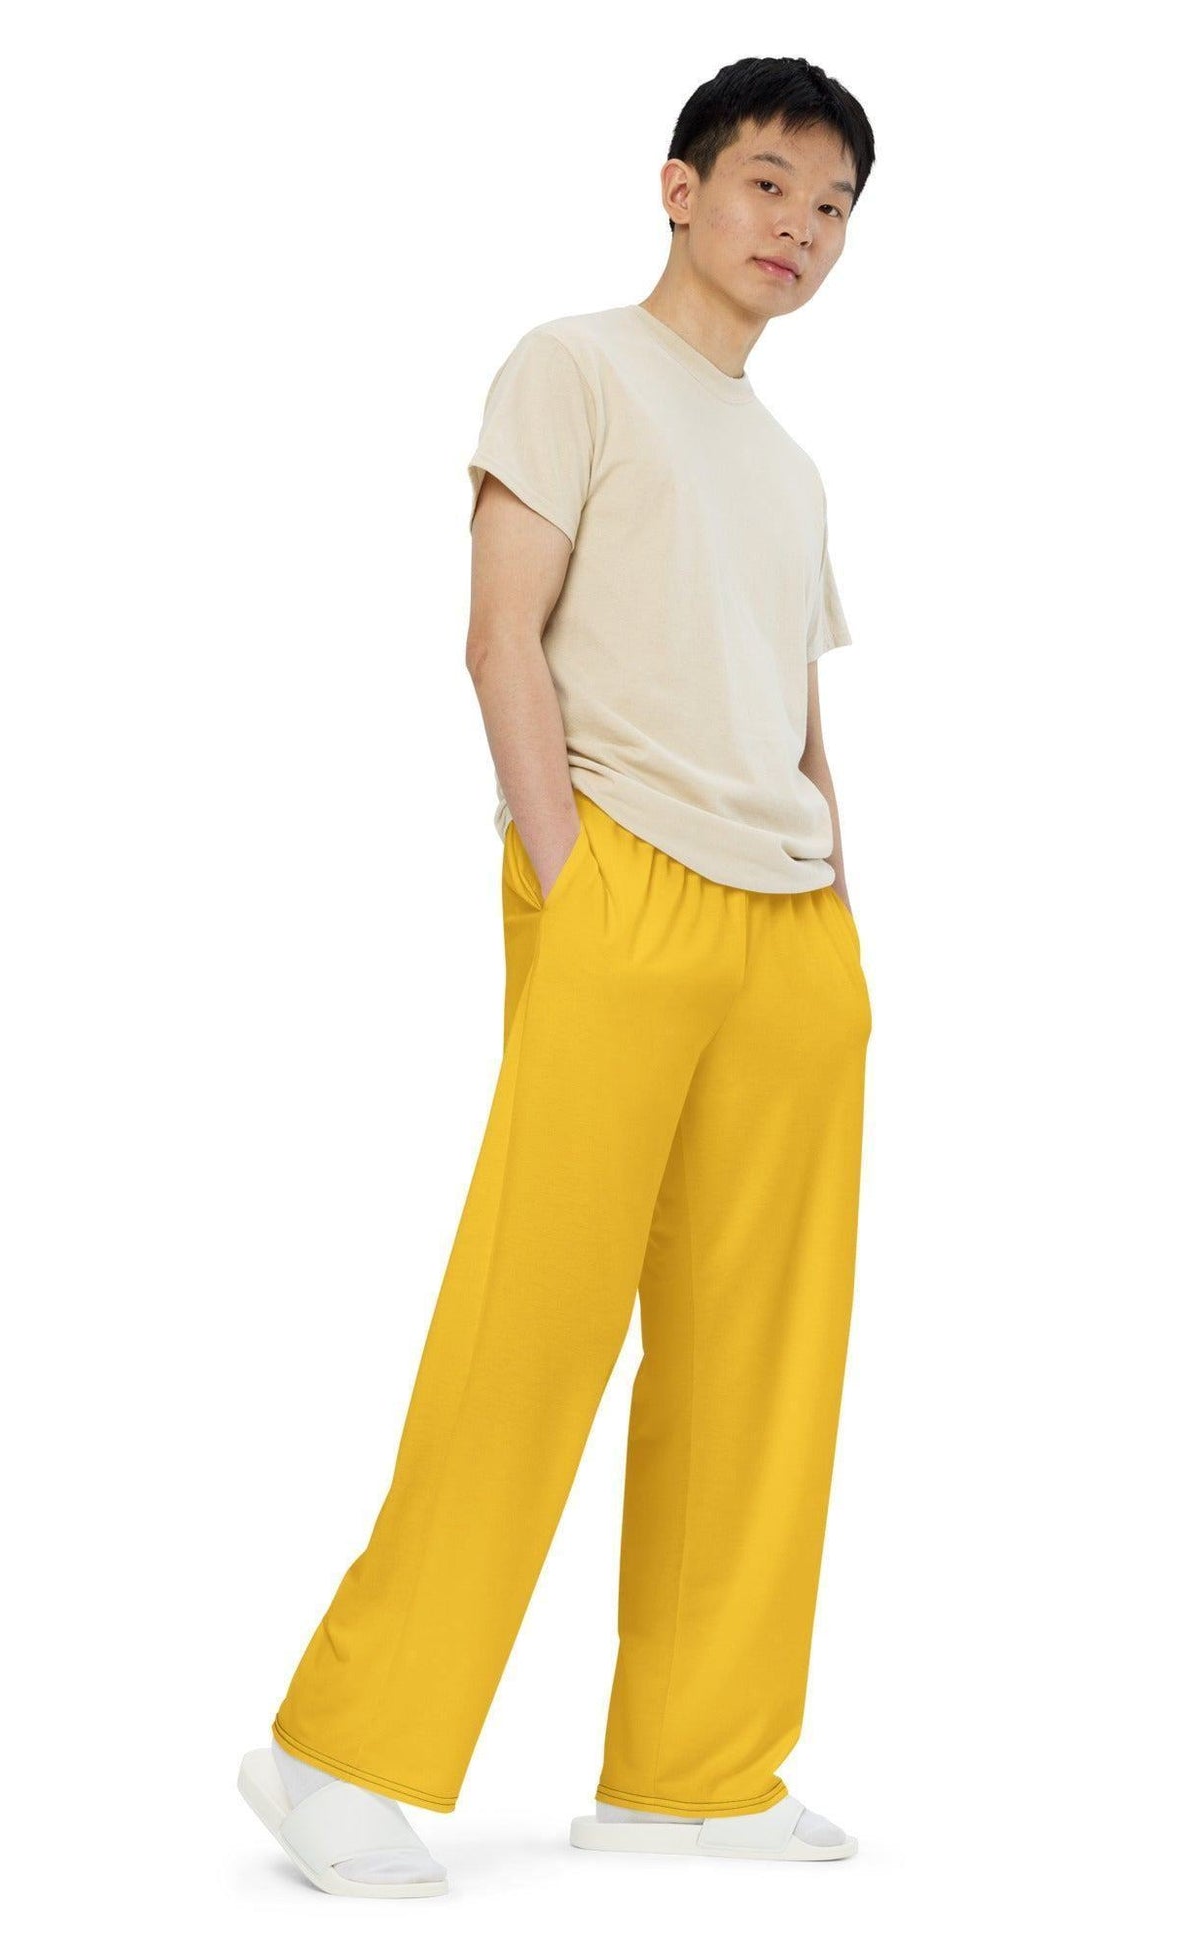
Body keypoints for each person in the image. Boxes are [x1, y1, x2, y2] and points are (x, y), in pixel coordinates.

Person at [238, 57, 876, 1898]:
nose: (798, 229)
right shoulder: (573, 366)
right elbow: (496, 635)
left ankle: (697, 1764)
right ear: (680, 187)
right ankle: (336, 1747)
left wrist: (842, 924)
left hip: (789, 927)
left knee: (765, 1353)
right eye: (767, 184)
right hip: (623, 884)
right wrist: (566, 877)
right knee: (534, 1321)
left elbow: (793, 712)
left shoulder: (788, 465)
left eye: (832, 208)